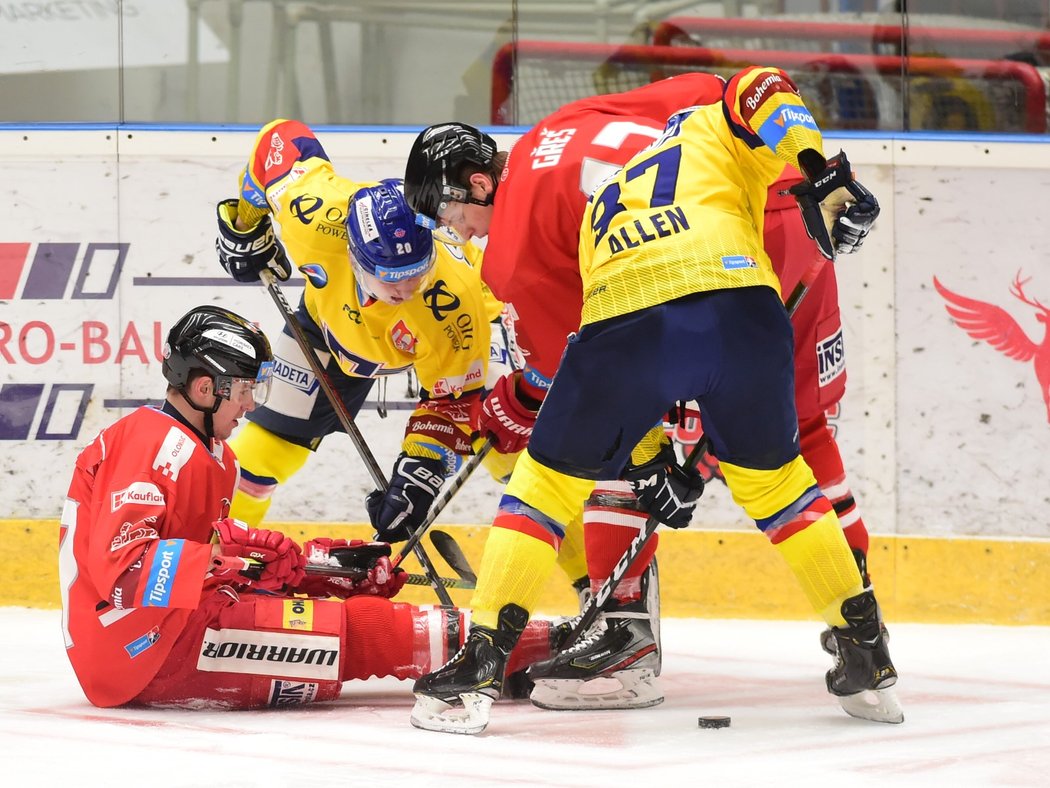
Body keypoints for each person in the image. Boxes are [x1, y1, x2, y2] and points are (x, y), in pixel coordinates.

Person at [404, 65, 901, 735]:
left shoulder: (510, 256)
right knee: (792, 471)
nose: (457, 233)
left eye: (448, 214)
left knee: (560, 475)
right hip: (775, 259)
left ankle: (556, 651)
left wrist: (652, 447)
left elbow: (587, 377)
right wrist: (825, 170)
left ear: (477, 183)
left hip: (644, 311)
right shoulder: (581, 120)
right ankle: (865, 650)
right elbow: (748, 86)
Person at [58, 304, 562, 710]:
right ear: (205, 388)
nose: (252, 404)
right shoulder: (152, 444)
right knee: (360, 632)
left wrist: (321, 569)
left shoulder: (209, 453)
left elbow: (204, 560)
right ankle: (542, 648)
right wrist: (234, 556)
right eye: (245, 388)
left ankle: (517, 649)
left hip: (161, 626)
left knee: (350, 608)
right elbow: (124, 574)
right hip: (141, 649)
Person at [212, 118, 587, 590]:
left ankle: (594, 581)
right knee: (265, 453)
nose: (406, 287)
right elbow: (277, 139)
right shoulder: (314, 213)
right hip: (331, 326)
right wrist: (247, 225)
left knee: (507, 454)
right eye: (392, 277)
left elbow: (453, 402)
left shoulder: (452, 301)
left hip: (450, 337)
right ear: (352, 255)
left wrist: (418, 475)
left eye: (417, 271)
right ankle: (214, 561)